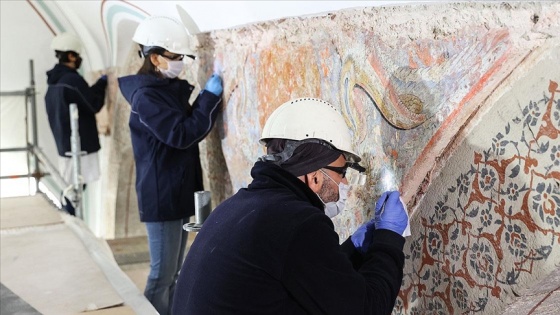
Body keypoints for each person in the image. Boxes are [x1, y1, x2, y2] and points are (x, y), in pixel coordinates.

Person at [172, 97, 409, 314]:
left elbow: (308, 274)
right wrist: (388, 239)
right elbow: (367, 310)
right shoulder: (298, 223)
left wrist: (353, 250)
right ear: (315, 177)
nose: (345, 183)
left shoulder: (239, 205)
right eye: (342, 172)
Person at [117, 15, 223, 315]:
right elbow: (181, 134)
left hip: (175, 187)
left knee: (175, 273)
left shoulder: (163, 89)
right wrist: (208, 99)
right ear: (154, 58)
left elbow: (183, 125)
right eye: (175, 57)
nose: (179, 63)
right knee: (161, 275)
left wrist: (205, 99)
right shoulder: (145, 97)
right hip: (161, 194)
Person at [45, 32, 108, 216]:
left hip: (65, 145)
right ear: (71, 55)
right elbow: (93, 104)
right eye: (78, 55)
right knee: (74, 191)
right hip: (78, 146)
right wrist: (102, 84)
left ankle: (68, 219)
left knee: (70, 188)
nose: (79, 59)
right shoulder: (71, 80)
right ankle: (69, 223)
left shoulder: (54, 82)